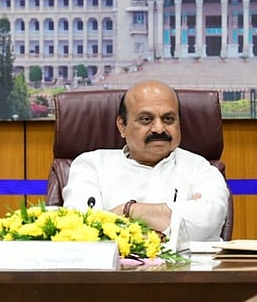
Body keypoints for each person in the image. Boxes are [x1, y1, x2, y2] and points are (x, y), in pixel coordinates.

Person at [62, 80, 229, 244]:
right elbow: (83, 229)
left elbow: (208, 220)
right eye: (146, 119)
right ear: (122, 126)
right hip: (115, 270)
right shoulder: (91, 165)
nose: (158, 128)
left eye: (168, 119)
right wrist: (178, 215)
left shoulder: (200, 168)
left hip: (191, 270)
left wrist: (127, 210)